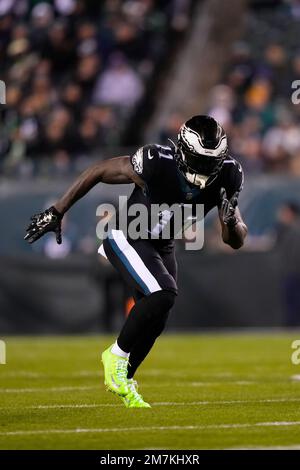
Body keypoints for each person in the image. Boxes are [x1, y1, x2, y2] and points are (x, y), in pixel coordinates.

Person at [24, 115, 248, 408]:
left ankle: (125, 379)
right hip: (128, 235)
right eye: (198, 160)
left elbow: (235, 239)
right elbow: (98, 170)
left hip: (162, 245)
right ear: (182, 150)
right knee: (162, 293)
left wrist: (231, 222)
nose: (204, 169)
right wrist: (57, 210)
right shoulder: (156, 160)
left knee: (158, 317)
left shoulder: (229, 175)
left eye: (210, 162)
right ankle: (115, 356)